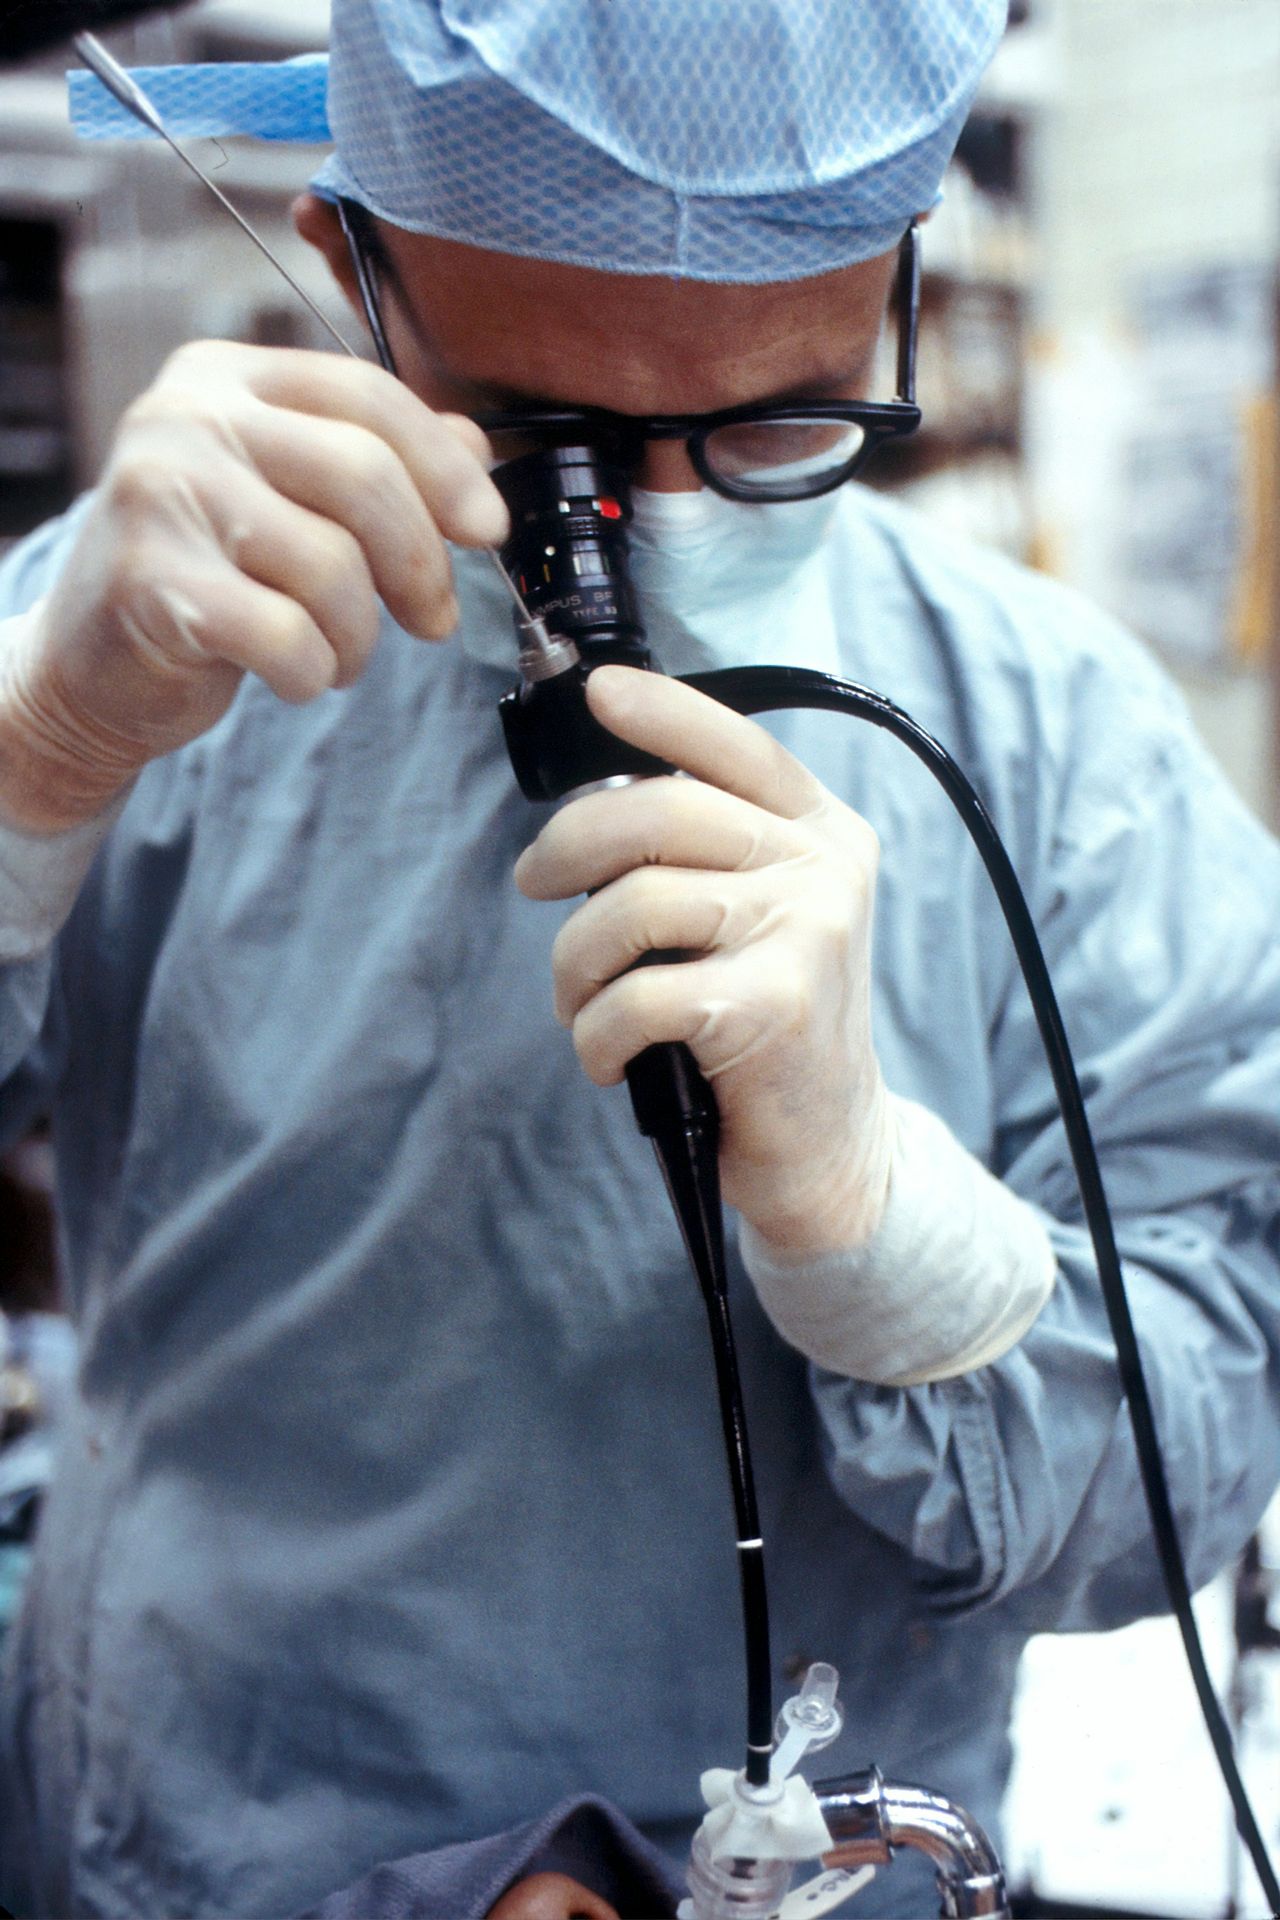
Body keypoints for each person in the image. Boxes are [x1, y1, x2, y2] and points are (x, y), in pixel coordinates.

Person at [0, 1, 1278, 1914]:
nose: (650, 547)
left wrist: (895, 1244)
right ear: (350, 264)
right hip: (217, 1845)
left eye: (777, 418)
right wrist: (36, 766)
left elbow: (1214, 1431)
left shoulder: (1056, 747)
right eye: (543, 434)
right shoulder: (138, 632)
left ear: (901, 282)